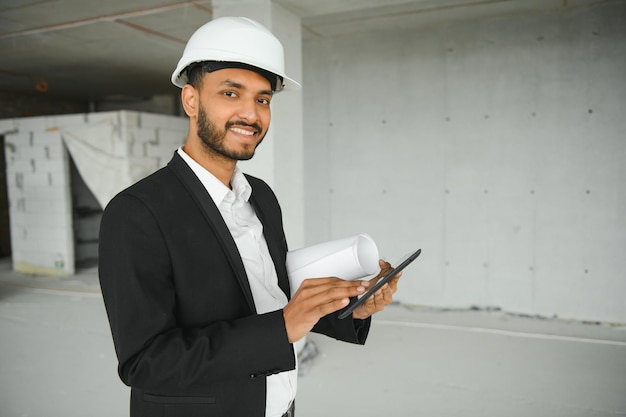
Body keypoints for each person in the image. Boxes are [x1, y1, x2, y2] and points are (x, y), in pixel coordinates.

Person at [98, 16, 402, 417]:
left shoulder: (261, 196)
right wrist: (280, 331)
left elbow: (270, 295)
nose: (251, 114)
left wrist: (350, 309)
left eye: (262, 99)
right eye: (230, 93)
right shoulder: (136, 213)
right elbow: (146, 362)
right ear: (191, 100)